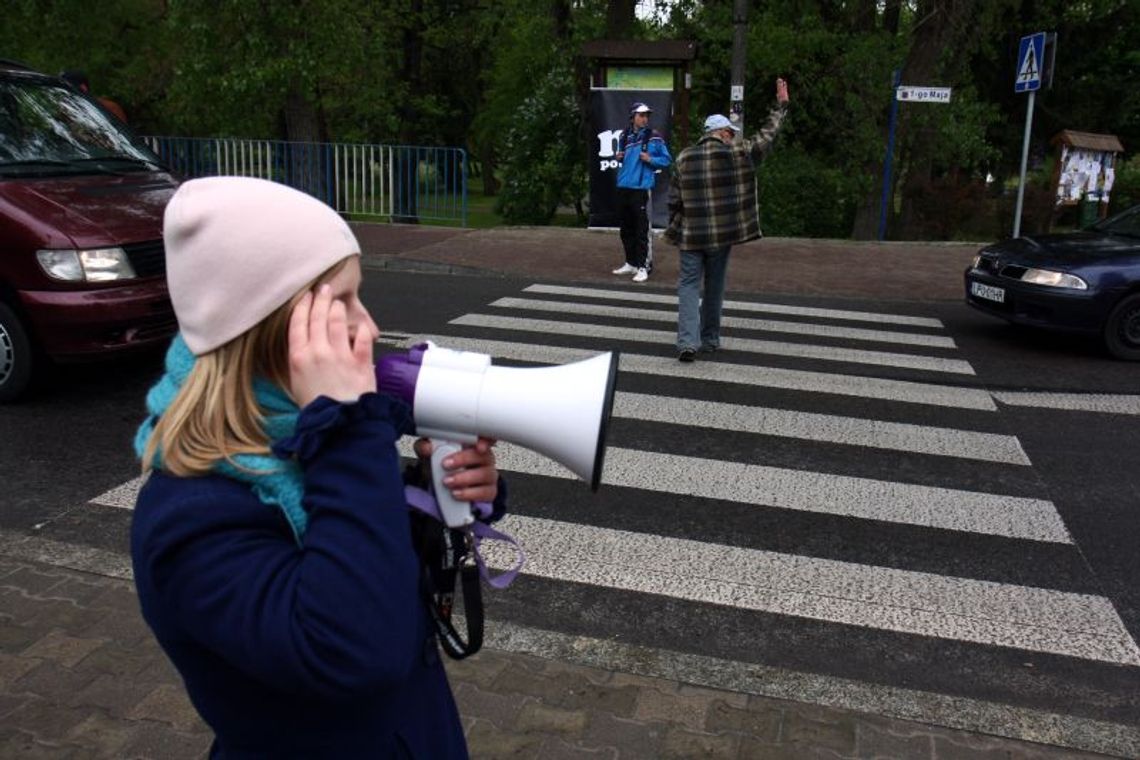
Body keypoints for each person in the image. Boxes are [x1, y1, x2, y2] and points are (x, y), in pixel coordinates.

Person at [131, 176, 502, 758]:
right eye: (342, 304)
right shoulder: (190, 520)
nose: (370, 327)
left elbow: (371, 563)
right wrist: (351, 433)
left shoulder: (299, 442)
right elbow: (360, 647)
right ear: (267, 329)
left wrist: (432, 495)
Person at [665, 77, 790, 362]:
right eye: (730, 133)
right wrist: (781, 106)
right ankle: (709, 339)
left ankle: (687, 342)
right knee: (714, 286)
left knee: (687, 284)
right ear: (721, 133)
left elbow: (673, 199)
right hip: (721, 235)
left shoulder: (685, 158)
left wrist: (678, 224)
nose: (733, 136)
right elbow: (766, 137)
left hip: (691, 234)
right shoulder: (737, 153)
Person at [613, 101, 671, 283]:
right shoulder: (624, 135)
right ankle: (630, 263)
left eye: (647, 115)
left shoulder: (653, 136)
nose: (645, 118)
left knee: (642, 230)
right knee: (626, 229)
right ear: (633, 117)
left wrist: (650, 159)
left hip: (641, 188)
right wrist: (619, 156)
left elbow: (667, 160)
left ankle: (643, 267)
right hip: (624, 187)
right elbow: (625, 160)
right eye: (641, 115)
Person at [60, 69, 128, 123]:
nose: (66, 94)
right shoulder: (65, 112)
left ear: (83, 88)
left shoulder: (110, 108)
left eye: (69, 90)